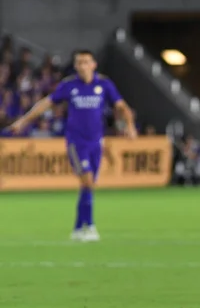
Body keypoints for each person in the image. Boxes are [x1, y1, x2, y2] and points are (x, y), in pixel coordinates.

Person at [8, 49, 137, 241]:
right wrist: (24, 121)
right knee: (87, 182)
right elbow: (47, 103)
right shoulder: (69, 86)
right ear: (76, 66)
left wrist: (130, 127)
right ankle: (90, 227)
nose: (82, 66)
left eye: (86, 62)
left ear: (93, 65)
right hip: (77, 142)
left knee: (89, 185)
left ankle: (77, 229)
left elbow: (122, 106)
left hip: (96, 141)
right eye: (79, 63)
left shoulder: (104, 84)